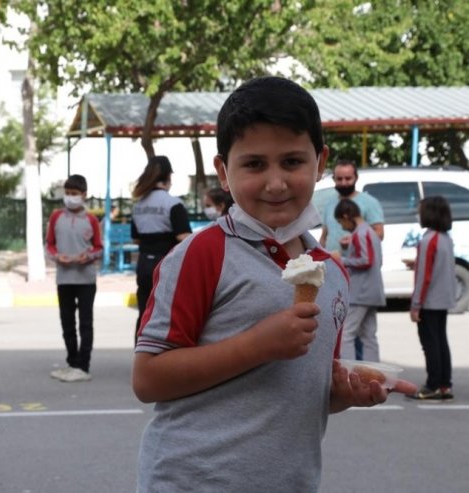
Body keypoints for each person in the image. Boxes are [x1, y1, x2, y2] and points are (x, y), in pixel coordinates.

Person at [132, 77, 416, 492]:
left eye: (292, 162)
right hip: (192, 482)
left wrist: (346, 392)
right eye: (254, 164)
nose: (276, 182)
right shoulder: (203, 254)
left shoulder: (331, 275)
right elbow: (149, 379)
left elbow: (308, 391)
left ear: (320, 163)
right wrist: (257, 345)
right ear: (223, 172)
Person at [45, 174, 103, 383]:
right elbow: (49, 244)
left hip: (86, 279)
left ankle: (83, 366)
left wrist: (85, 257)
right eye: (67, 193)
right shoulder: (56, 217)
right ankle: (71, 362)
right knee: (67, 322)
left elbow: (98, 247)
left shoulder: (91, 220)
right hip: (64, 278)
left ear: (84, 195)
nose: (70, 198)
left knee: (85, 323)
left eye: (74, 194)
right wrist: (57, 256)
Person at [130, 156, 191, 337]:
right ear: (168, 177)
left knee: (144, 312)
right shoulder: (173, 203)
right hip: (166, 263)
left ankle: (139, 356)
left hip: (143, 264)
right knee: (167, 313)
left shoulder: (138, 205)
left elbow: (135, 239)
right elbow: (183, 237)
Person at [407, 196, 456, 401]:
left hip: (429, 300)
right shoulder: (445, 238)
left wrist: (416, 304)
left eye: (421, 211)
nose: (419, 215)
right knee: (440, 341)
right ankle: (444, 384)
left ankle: (433, 384)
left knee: (430, 343)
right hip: (443, 298)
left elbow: (424, 275)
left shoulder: (429, 239)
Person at [330, 199, 385, 362]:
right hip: (372, 290)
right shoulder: (369, 232)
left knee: (347, 333)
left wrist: (342, 260)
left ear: (346, 216)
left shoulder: (361, 233)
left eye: (341, 221)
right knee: (369, 335)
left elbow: (365, 260)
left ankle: (349, 370)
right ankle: (372, 371)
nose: (342, 227)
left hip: (361, 292)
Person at [319, 159, 385, 251]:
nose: (343, 183)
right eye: (339, 179)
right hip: (332, 262)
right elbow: (324, 237)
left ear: (356, 178)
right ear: (334, 179)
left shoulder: (369, 202)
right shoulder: (329, 204)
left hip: (358, 263)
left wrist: (354, 240)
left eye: (348, 178)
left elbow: (379, 234)